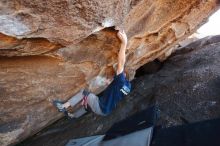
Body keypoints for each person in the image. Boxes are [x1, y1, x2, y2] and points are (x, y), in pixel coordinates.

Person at [53, 28, 131, 118]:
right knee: (89, 103)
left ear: (123, 75)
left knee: (84, 93)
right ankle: (73, 116)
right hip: (106, 111)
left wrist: (124, 43)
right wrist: (109, 83)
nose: (117, 73)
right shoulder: (128, 87)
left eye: (119, 73)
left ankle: (63, 106)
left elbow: (121, 62)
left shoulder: (120, 80)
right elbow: (115, 91)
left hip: (100, 106)